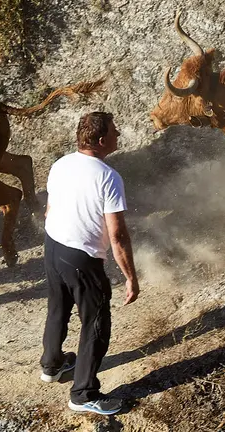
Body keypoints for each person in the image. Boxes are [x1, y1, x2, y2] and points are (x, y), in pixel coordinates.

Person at [39, 111, 139, 416]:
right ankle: (83, 394)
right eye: (114, 131)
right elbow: (118, 235)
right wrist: (131, 277)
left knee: (58, 307)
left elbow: (49, 210)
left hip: (53, 246)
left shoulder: (60, 164)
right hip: (81, 258)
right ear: (100, 140)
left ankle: (52, 366)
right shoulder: (108, 177)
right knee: (96, 322)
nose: (118, 134)